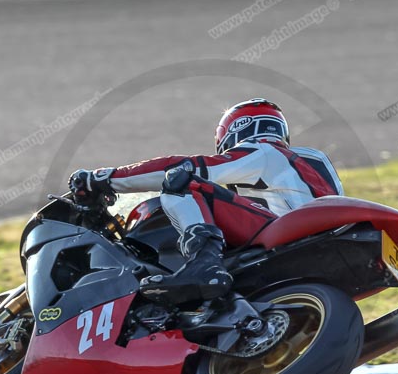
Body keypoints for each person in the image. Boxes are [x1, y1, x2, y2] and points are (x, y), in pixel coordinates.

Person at [69, 98, 343, 304]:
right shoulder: (315, 160)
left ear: (234, 132)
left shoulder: (263, 152)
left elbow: (185, 166)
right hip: (327, 242)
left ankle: (204, 266)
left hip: (290, 236)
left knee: (181, 181)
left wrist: (104, 178)